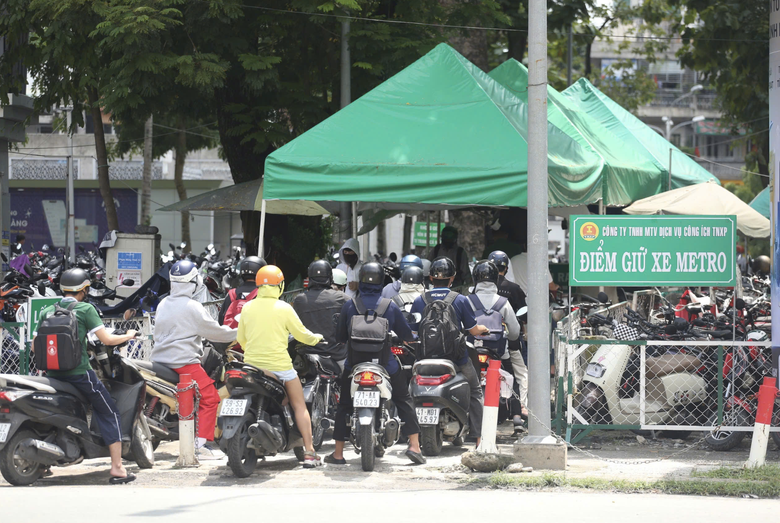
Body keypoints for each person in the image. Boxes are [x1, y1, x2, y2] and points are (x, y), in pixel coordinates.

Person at [36, 268, 138, 483]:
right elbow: (108, 340)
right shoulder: (85, 309)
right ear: (84, 289)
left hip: (52, 375)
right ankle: (118, 468)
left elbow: (36, 349)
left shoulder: (47, 311)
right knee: (109, 411)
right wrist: (129, 334)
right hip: (80, 374)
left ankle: (42, 463)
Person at [326, 262, 425, 465]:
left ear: (360, 280)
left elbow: (340, 337)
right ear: (382, 281)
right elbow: (407, 335)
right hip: (385, 365)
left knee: (344, 404)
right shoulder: (389, 306)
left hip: (354, 366)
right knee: (403, 399)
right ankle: (414, 445)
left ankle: (337, 453)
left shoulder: (349, 305)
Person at [237, 265, 324, 468]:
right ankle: (310, 452)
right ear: (280, 285)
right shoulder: (284, 308)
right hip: (280, 369)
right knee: (299, 405)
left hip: (251, 367)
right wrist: (317, 338)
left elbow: (241, 339)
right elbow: (302, 335)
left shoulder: (247, 307)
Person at [151, 260, 238, 459]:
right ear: (194, 283)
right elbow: (216, 333)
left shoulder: (164, 303)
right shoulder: (193, 307)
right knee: (210, 398)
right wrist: (239, 332)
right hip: (184, 363)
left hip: (159, 360)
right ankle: (201, 445)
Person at [409, 257, 489, 445]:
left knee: (408, 391)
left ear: (430, 278)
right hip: (456, 359)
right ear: (452, 279)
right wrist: (484, 329)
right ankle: (479, 439)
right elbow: (473, 330)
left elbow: (412, 332)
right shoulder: (460, 300)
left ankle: (410, 438)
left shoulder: (419, 300)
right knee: (476, 391)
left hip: (423, 359)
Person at [470, 260, 525, 427]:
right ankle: (516, 417)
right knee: (511, 378)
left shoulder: (468, 300)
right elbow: (514, 331)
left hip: (473, 351)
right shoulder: (502, 302)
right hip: (499, 352)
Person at [488, 250, 528, 420]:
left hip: (481, 343)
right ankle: (522, 408)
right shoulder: (513, 288)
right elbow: (523, 317)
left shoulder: (477, 291)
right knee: (521, 374)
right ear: (506, 267)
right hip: (508, 342)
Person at [293, 260, 348, 359]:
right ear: (330, 277)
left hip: (306, 355)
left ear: (310, 278)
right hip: (336, 355)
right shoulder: (342, 298)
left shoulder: (299, 300)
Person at [218, 255, 266, 325]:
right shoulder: (262, 293)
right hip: (253, 335)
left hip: (232, 335)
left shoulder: (232, 294)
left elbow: (221, 319)